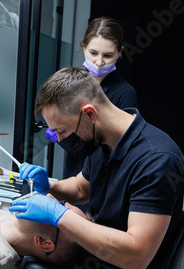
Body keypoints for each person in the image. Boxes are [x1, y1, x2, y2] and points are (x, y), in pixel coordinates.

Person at [5, 67, 184, 269]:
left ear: (89, 113)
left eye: (63, 132)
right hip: (93, 262)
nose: (60, 140)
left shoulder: (157, 161)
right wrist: (50, 186)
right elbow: (81, 187)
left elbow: (136, 257)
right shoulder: (103, 141)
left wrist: (59, 215)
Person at [56, 17, 139, 211]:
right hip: (73, 174)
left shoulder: (125, 94)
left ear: (120, 53)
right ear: (83, 46)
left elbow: (122, 148)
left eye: (108, 55)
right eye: (93, 53)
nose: (99, 62)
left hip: (105, 180)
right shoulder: (71, 85)